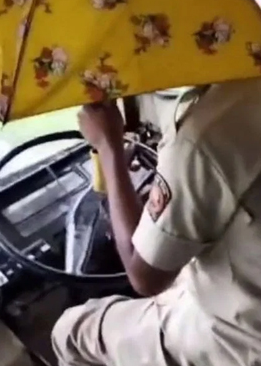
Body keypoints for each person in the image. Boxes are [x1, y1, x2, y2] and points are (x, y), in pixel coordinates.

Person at [52, 78, 261, 365]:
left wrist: (108, 147)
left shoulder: (204, 136)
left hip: (238, 339)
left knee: (71, 331)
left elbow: (144, 277)